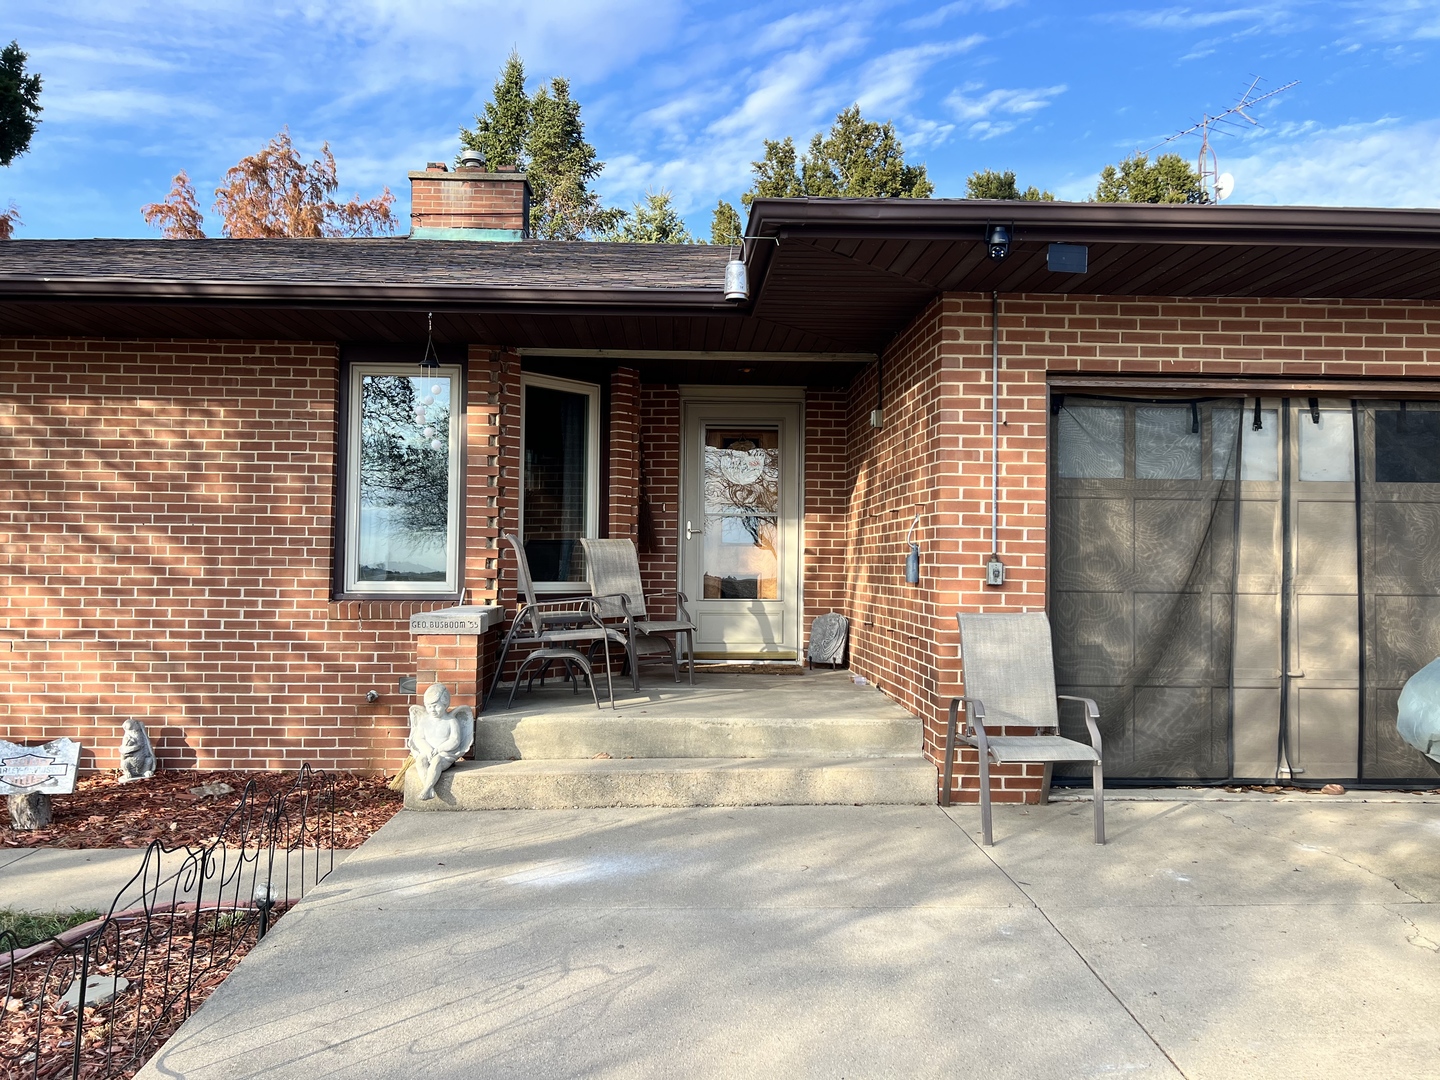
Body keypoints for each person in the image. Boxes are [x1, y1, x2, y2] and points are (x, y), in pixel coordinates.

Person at [407, 683, 475, 800]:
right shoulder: (424, 721)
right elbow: (419, 738)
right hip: (428, 752)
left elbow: (455, 740)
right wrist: (428, 749)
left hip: (444, 754)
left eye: (436, 706)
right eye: (429, 706)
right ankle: (428, 787)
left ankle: (426, 789)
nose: (432, 709)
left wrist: (439, 749)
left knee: (436, 760)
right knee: (420, 760)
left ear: (445, 704)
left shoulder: (451, 721)